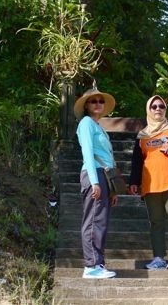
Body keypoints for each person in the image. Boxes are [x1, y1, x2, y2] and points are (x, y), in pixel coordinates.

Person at [129, 95, 168, 271]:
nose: (157, 109)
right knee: (156, 222)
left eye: (161, 106)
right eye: (154, 107)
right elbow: (137, 161)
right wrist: (134, 182)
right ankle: (159, 258)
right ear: (149, 109)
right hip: (150, 184)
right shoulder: (142, 135)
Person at [74, 86, 117, 279]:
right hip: (94, 175)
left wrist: (113, 188)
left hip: (104, 176)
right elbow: (88, 154)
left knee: (101, 221)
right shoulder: (85, 123)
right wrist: (94, 182)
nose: (98, 104)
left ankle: (98, 263)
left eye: (100, 101)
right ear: (86, 106)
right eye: (93, 101)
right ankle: (91, 266)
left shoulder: (98, 126)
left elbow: (107, 157)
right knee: (93, 220)